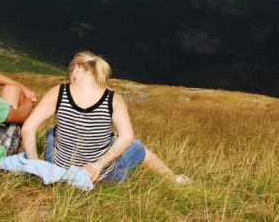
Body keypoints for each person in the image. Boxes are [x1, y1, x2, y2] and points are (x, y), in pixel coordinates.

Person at [21, 51, 190, 184]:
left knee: (51, 132)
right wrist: (96, 167)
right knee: (137, 146)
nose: (69, 77)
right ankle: (175, 179)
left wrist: (37, 167)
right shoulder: (112, 99)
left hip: (60, 172)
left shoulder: (59, 91)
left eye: (70, 72)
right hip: (102, 176)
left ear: (77, 66)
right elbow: (127, 137)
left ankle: (46, 166)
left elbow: (28, 128)